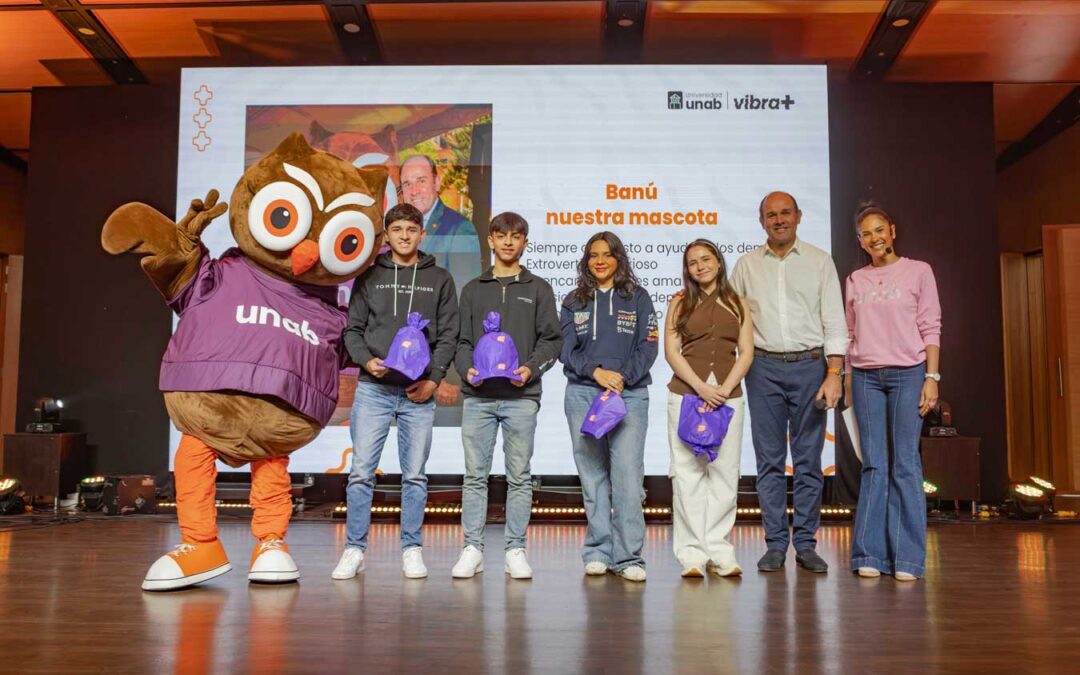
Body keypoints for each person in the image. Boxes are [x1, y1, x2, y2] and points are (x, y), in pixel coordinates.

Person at [333, 203, 459, 580]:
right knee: (360, 473)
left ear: (422, 234)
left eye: (411, 229)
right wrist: (365, 362)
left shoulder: (440, 278)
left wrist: (435, 379)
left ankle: (412, 548)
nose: (404, 235)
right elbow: (352, 330)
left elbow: (449, 335)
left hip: (418, 393)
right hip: (374, 389)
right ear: (386, 235)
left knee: (416, 475)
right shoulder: (370, 275)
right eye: (397, 229)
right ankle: (354, 550)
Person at [730, 191, 848, 574]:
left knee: (809, 462)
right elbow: (729, 317)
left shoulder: (819, 261)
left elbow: (834, 320)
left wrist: (834, 373)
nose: (778, 220)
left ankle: (807, 544)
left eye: (785, 213)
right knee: (768, 462)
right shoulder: (746, 266)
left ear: (798, 216)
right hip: (762, 369)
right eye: (770, 215)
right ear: (761, 221)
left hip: (810, 368)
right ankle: (776, 544)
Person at [450, 212, 563, 580]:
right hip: (479, 397)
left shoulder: (538, 288)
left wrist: (530, 368)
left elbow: (553, 340)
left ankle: (515, 548)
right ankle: (473, 548)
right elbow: (461, 341)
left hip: (521, 397)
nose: (509, 242)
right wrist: (466, 368)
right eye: (502, 235)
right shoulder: (472, 289)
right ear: (491, 240)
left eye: (516, 236)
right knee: (474, 476)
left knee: (519, 476)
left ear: (525, 242)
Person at [845, 200, 941, 581]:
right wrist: (849, 380)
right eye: (866, 234)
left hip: (909, 374)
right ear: (860, 241)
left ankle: (907, 559)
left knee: (905, 464)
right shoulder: (855, 279)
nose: (874, 238)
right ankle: (869, 553)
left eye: (879, 230)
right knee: (874, 465)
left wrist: (931, 378)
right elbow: (851, 334)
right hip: (866, 376)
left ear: (893, 231)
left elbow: (931, 326)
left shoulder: (918, 272)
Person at [559, 232, 658, 582]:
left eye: (607, 254)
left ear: (619, 258)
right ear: (586, 261)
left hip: (629, 395)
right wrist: (597, 373)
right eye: (593, 255)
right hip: (583, 394)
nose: (600, 261)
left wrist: (622, 377)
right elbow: (566, 351)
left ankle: (629, 557)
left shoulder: (639, 298)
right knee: (593, 475)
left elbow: (649, 347)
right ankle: (599, 551)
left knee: (628, 477)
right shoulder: (573, 301)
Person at [665, 239, 754, 578]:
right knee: (687, 473)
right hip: (686, 395)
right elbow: (672, 353)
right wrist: (702, 388)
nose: (699, 266)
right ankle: (691, 554)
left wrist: (725, 389)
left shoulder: (739, 303)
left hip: (729, 398)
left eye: (705, 259)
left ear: (718, 262)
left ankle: (719, 550)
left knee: (724, 473)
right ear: (687, 270)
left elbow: (746, 352)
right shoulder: (679, 303)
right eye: (692, 262)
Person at [399, 154, 481, 417]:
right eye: (407, 184)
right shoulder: (398, 233)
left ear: (437, 180)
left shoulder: (459, 229)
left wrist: (450, 375)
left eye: (421, 181)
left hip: (439, 374)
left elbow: (464, 307)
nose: (414, 190)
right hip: (403, 368)